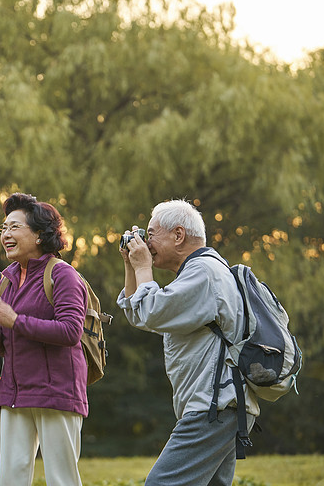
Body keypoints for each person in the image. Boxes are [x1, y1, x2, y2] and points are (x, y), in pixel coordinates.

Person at [117, 199, 259, 486]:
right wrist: (131, 266)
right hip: (219, 407)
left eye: (151, 234)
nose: (147, 242)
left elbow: (152, 311)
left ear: (178, 235)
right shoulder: (200, 272)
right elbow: (140, 314)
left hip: (213, 407)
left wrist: (143, 265)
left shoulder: (203, 272)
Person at [0, 192, 88, 486]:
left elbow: (71, 331)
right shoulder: (7, 279)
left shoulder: (63, 275)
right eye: (4, 228)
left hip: (56, 392)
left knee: (62, 479)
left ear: (39, 235)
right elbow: (7, 346)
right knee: (10, 478)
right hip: (15, 393)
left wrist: (15, 321)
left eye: (15, 227)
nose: (6, 234)